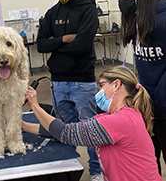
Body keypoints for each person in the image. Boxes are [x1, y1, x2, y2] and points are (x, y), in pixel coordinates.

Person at [22, 66, 162, 180]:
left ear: (116, 85)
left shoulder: (122, 121)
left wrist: (35, 106)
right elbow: (71, 130)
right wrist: (24, 126)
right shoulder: (113, 117)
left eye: (101, 86)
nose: (99, 92)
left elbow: (67, 134)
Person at [36, 0, 102, 180]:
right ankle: (69, 171)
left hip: (83, 82)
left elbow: (82, 45)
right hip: (58, 83)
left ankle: (96, 171)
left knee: (91, 131)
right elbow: (40, 45)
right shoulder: (52, 12)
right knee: (63, 131)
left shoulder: (87, 9)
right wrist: (64, 39)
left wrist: (55, 44)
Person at [117, 0, 166, 174]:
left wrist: (158, 101)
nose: (121, 0)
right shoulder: (138, 22)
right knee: (148, 159)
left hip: (163, 106)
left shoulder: (163, 20)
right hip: (147, 107)